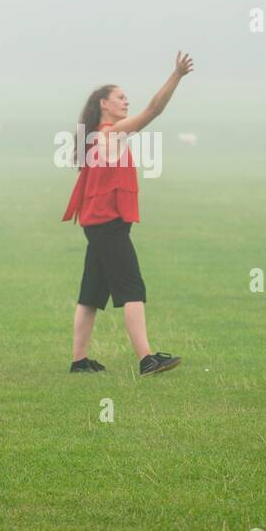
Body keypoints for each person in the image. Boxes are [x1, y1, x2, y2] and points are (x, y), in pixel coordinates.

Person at [62, 52, 193, 376]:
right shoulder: (110, 134)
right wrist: (176, 75)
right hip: (108, 226)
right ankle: (147, 359)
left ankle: (79, 362)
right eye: (120, 97)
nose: (126, 101)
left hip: (97, 225)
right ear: (103, 104)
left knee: (90, 294)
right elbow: (154, 110)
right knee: (131, 288)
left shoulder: (95, 136)